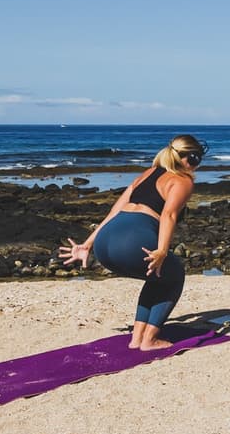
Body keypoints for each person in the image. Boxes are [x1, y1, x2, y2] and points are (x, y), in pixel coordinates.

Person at [57, 134, 206, 350]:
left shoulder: (147, 174)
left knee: (157, 278)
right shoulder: (182, 180)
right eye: (197, 158)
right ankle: (149, 340)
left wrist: (88, 244)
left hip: (105, 243)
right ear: (190, 158)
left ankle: (136, 339)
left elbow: (114, 211)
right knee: (175, 276)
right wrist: (162, 250)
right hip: (131, 242)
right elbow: (169, 215)